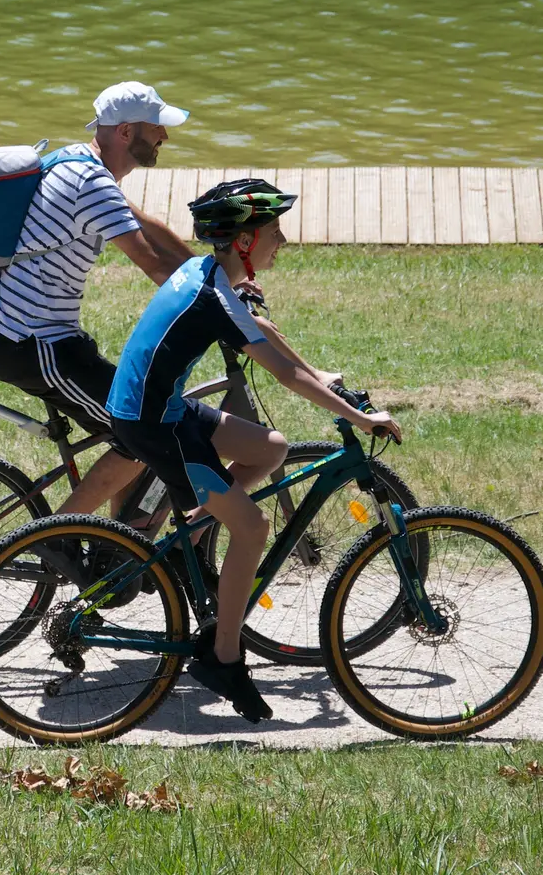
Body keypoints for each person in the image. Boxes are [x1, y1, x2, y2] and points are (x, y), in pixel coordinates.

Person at [105, 179, 402, 722]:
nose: (282, 241)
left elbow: (261, 329)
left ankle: (193, 521)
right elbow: (282, 373)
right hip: (155, 425)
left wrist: (323, 378)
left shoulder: (209, 275)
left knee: (270, 448)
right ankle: (223, 657)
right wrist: (358, 416)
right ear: (243, 240)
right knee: (252, 528)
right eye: (273, 231)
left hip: (160, 409)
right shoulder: (213, 295)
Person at [0, 80, 199, 521]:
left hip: (43, 340)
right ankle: (53, 541)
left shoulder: (77, 161)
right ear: (125, 133)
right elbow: (151, 261)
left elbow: (149, 226)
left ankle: (120, 548)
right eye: (157, 128)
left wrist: (209, 276)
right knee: (142, 432)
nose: (165, 137)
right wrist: (215, 308)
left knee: (144, 425)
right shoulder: (90, 183)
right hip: (33, 346)